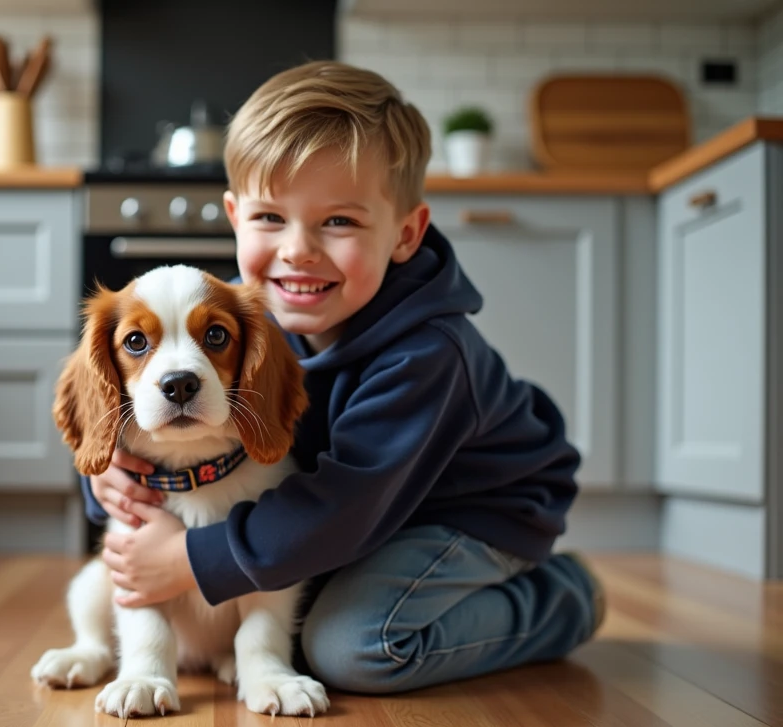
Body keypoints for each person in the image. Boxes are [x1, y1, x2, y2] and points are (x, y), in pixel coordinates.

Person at [86, 60, 604, 694]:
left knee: (351, 647)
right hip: (366, 513)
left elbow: (336, 510)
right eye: (271, 217)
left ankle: (561, 601)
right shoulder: (258, 325)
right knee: (292, 602)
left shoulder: (427, 356)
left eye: (339, 221)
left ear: (406, 233)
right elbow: (219, 456)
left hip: (470, 516)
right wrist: (116, 478)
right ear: (234, 217)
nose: (298, 249)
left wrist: (188, 561)